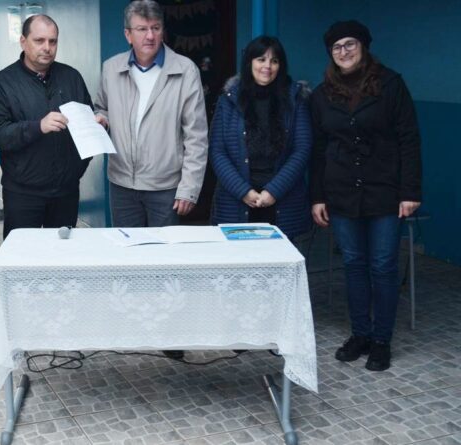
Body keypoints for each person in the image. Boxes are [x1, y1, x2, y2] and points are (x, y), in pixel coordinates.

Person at [93, 0, 208, 360]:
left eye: (155, 28)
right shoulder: (111, 69)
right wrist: (99, 118)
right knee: (129, 259)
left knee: (165, 263)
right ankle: (134, 326)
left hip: (166, 186)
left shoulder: (184, 70)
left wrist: (189, 187)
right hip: (122, 183)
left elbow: (197, 135)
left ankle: (170, 334)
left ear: (163, 31)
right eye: (142, 29)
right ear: (128, 34)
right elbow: (101, 106)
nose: (150, 35)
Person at [310, 20, 422, 371]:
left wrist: (411, 190)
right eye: (336, 47)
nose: (344, 52)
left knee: (384, 266)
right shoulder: (322, 94)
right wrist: (317, 196)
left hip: (384, 191)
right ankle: (360, 333)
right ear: (331, 53)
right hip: (341, 192)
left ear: (363, 46)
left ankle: (381, 340)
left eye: (350, 44)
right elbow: (318, 148)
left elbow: (409, 139)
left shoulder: (390, 85)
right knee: (354, 265)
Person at [0, 14, 97, 239]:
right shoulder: (1, 83)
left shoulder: (71, 77)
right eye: (39, 41)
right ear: (23, 41)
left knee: (62, 261)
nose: (47, 47)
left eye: (52, 41)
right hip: (23, 194)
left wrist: (98, 126)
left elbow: (87, 125)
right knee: (23, 262)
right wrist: (38, 127)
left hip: (66, 192)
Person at [209, 36, 312, 239]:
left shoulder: (295, 99)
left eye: (274, 61)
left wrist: (273, 191)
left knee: (281, 266)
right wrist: (243, 191)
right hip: (237, 200)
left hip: (282, 200)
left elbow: (302, 149)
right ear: (249, 62)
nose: (268, 66)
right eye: (261, 59)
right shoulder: (229, 100)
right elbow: (217, 151)